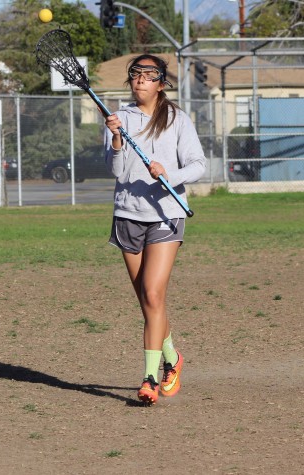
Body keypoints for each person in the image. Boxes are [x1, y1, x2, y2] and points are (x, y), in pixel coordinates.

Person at [104, 54, 206, 405]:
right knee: (149, 302)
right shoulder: (120, 117)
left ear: (161, 82)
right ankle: (172, 356)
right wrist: (116, 139)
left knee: (152, 293)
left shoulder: (177, 119)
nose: (140, 80)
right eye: (136, 74)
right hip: (128, 215)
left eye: (149, 75)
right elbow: (116, 170)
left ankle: (149, 378)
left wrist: (170, 175)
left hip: (165, 215)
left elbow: (198, 165)